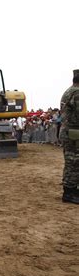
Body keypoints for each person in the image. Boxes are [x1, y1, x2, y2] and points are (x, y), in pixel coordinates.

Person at [59, 69, 79, 204]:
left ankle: (71, 191)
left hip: (69, 132)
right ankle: (70, 193)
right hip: (74, 133)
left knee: (71, 161)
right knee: (74, 162)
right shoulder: (77, 93)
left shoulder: (69, 91)